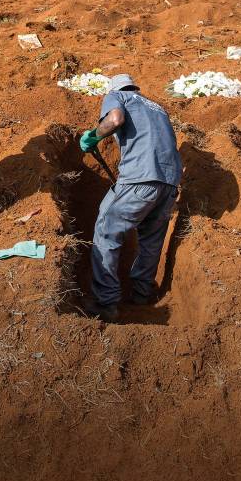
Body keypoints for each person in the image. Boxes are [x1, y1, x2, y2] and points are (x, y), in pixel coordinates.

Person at [79, 74, 182, 322]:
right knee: (151, 240)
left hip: (139, 177)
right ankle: (141, 295)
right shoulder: (157, 108)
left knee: (106, 230)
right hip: (168, 183)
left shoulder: (117, 96)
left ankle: (106, 302)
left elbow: (115, 119)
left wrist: (94, 135)